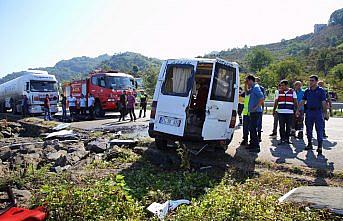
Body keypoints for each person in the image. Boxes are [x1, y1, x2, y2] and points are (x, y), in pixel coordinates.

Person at [297, 75, 327, 155]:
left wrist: (325, 113)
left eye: (312, 80)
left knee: (319, 129)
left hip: (318, 112)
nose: (310, 82)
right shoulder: (307, 91)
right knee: (308, 129)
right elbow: (303, 101)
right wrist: (298, 110)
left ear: (316, 81)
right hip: (309, 112)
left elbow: (324, 102)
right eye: (309, 80)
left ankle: (319, 147)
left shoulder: (321, 91)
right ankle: (309, 144)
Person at [273, 80, 298, 145]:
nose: (281, 87)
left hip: (290, 112)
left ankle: (287, 139)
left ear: (287, 85)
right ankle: (282, 139)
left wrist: (297, 110)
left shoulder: (292, 92)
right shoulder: (278, 92)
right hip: (280, 112)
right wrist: (274, 110)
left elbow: (295, 102)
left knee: (288, 126)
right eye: (281, 85)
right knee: (281, 126)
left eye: (283, 85)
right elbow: (276, 102)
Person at [246, 75, 265, 151]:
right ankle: (252, 144)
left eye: (247, 81)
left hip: (256, 112)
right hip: (253, 112)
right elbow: (247, 93)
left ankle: (256, 146)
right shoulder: (253, 87)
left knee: (252, 128)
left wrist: (255, 108)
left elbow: (262, 98)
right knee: (251, 128)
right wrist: (245, 84)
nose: (247, 83)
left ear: (251, 80)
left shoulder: (256, 87)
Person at [255, 77, 266, 142]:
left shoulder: (261, 88)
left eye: (257, 81)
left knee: (259, 122)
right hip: (254, 106)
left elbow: (263, 98)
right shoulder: (252, 87)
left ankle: (259, 136)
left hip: (259, 107)